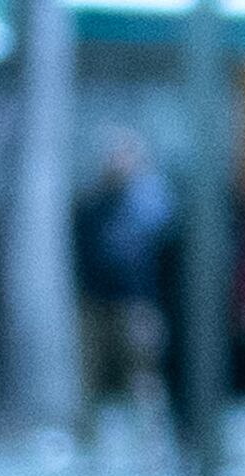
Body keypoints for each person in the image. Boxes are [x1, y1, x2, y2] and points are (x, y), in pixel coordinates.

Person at [73, 128, 174, 458]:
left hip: (136, 302)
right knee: (91, 377)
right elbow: (80, 251)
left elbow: (162, 249)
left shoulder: (148, 205)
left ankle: (149, 443)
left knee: (143, 375)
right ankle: (89, 444)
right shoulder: (90, 204)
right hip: (95, 302)